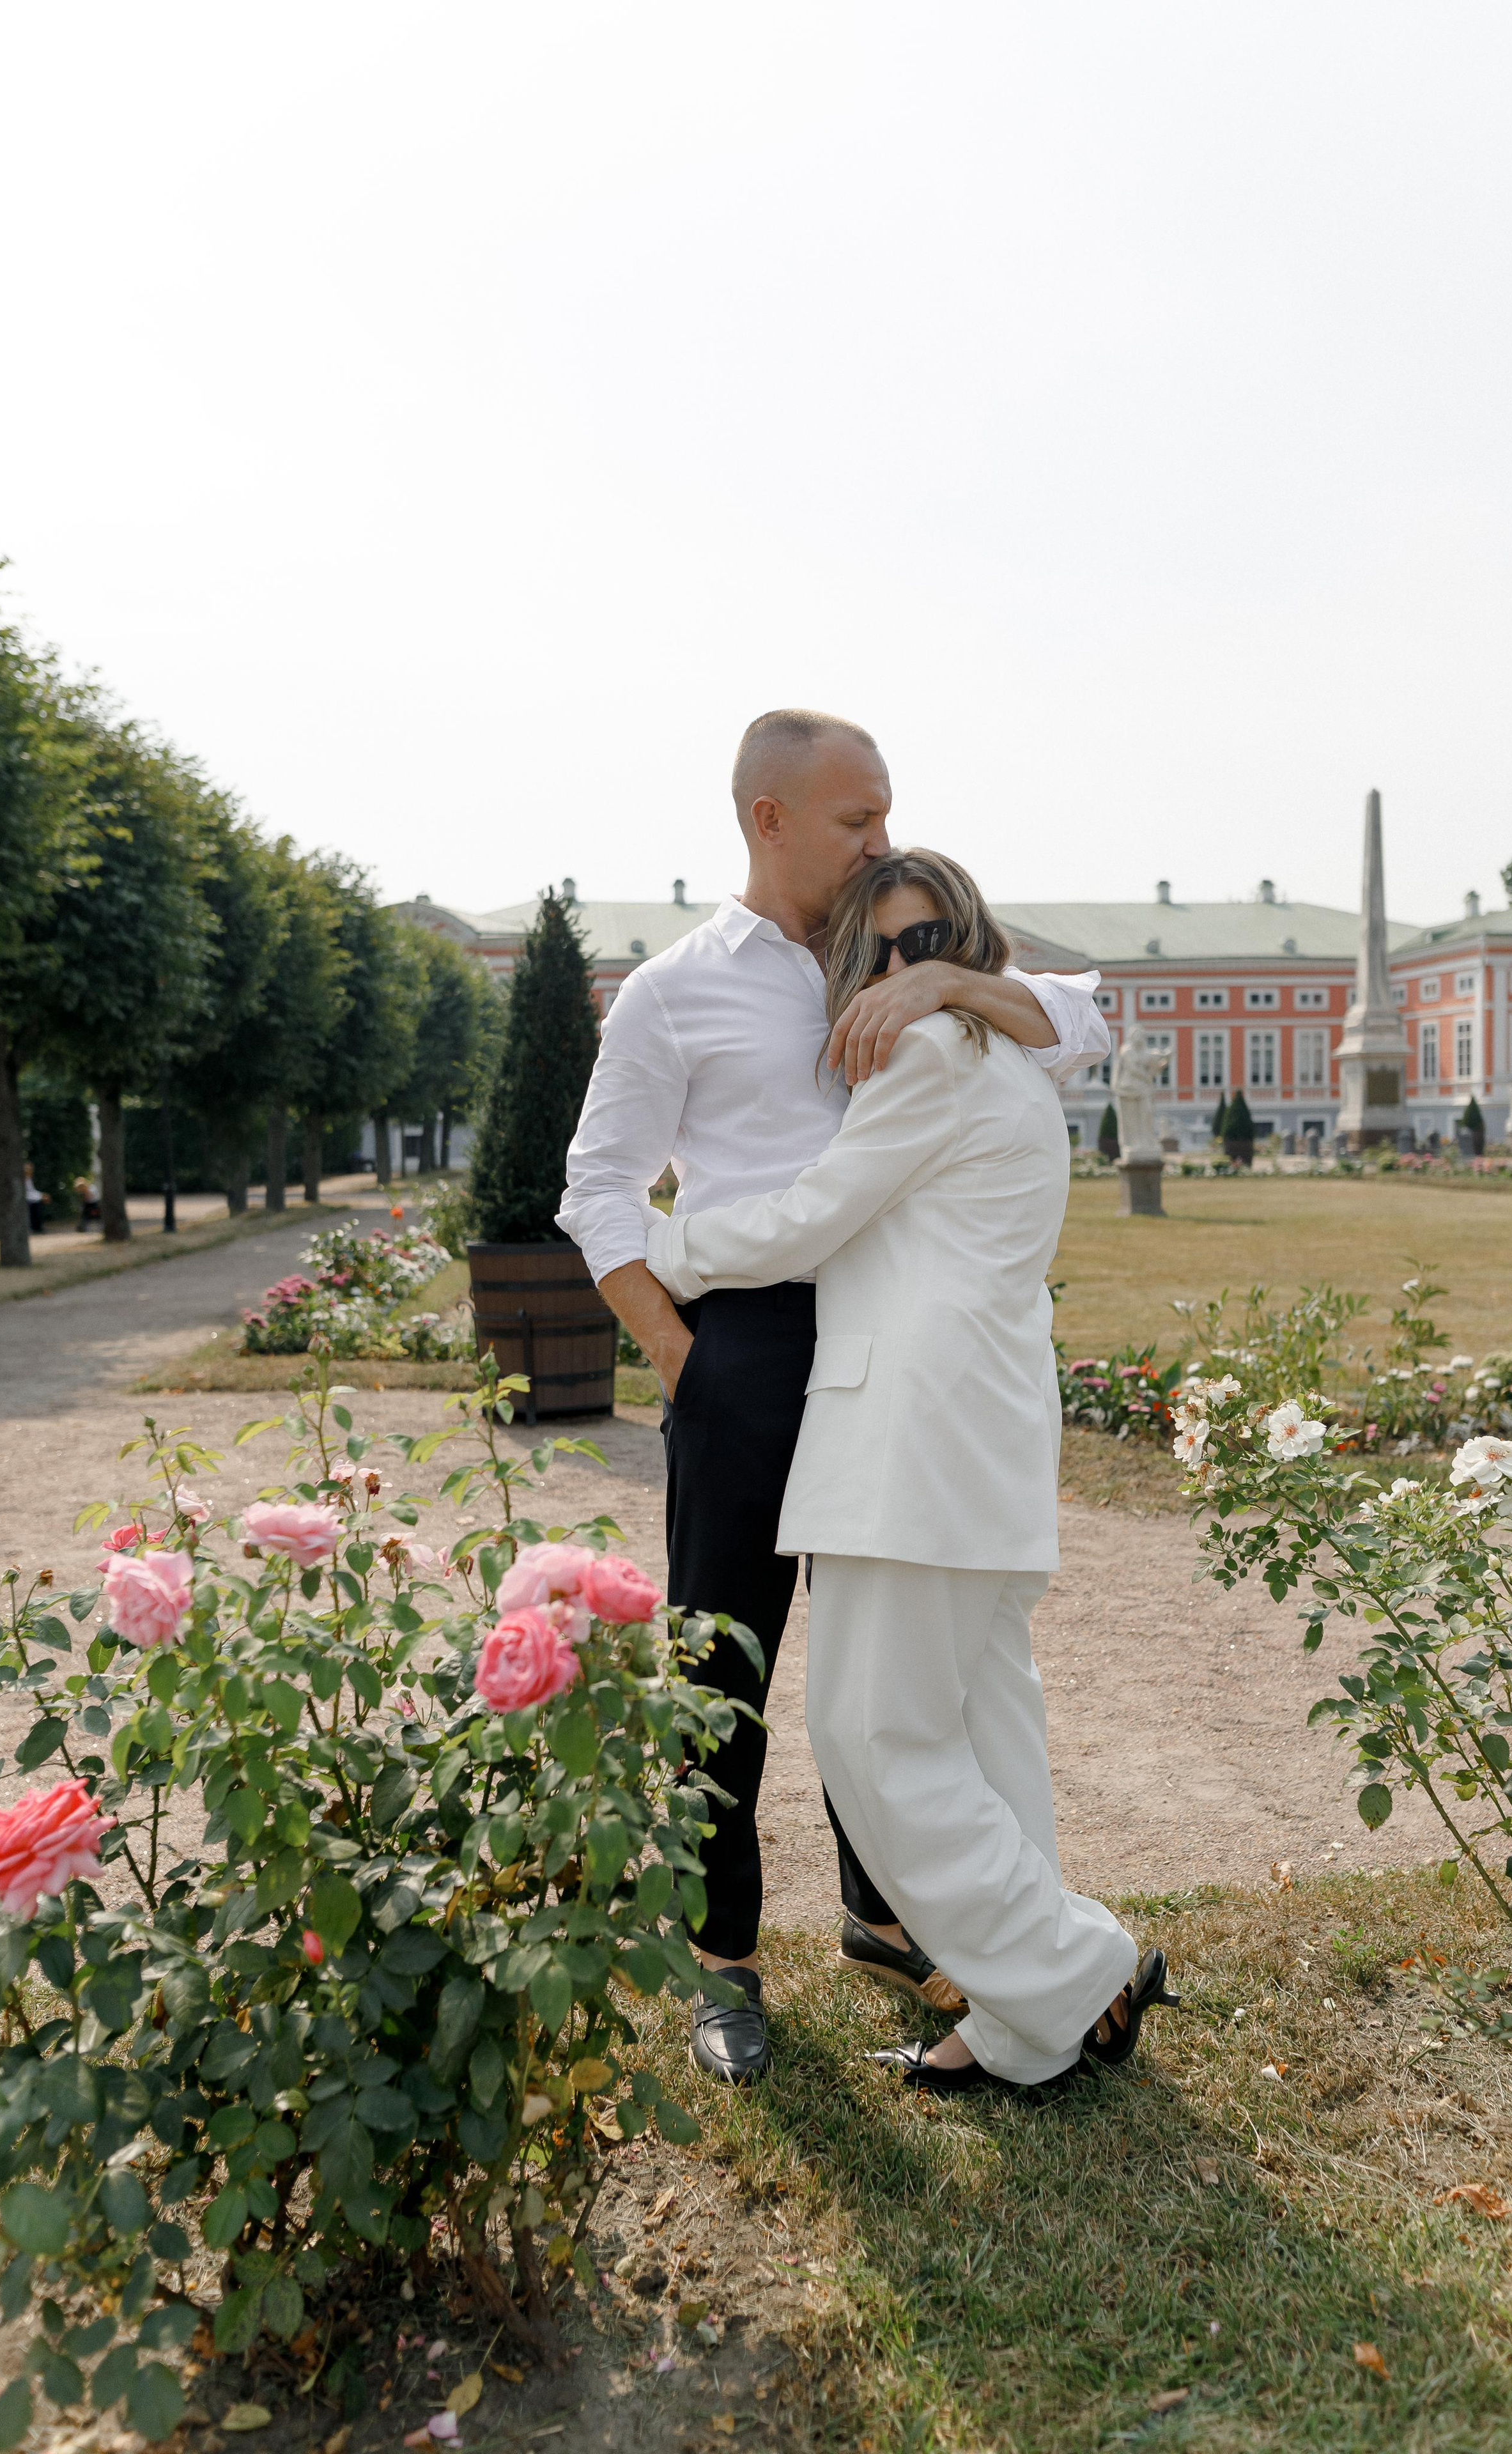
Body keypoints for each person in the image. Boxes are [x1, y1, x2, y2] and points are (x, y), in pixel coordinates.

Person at [559, 709, 1111, 2083]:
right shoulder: (675, 988)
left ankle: (889, 1918)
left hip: (893, 1346)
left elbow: (1087, 1018)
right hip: (745, 1346)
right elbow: (594, 1191)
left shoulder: (907, 935)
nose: (880, 834)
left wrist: (946, 987)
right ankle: (723, 1959)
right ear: (768, 818)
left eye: (883, 811)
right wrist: (679, 1357)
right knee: (724, 1666)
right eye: (856, 816)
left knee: (897, 1667)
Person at [643, 848, 1178, 2093]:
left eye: (927, 941)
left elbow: (811, 1215)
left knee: (870, 1740)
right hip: (976, 1441)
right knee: (988, 1734)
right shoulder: (1000, 1056)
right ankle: (1025, 2029)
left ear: (969, 943)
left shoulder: (937, 1053)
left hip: (909, 1439)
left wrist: (663, 1249)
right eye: (881, 951)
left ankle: (1080, 1969)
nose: (904, 968)